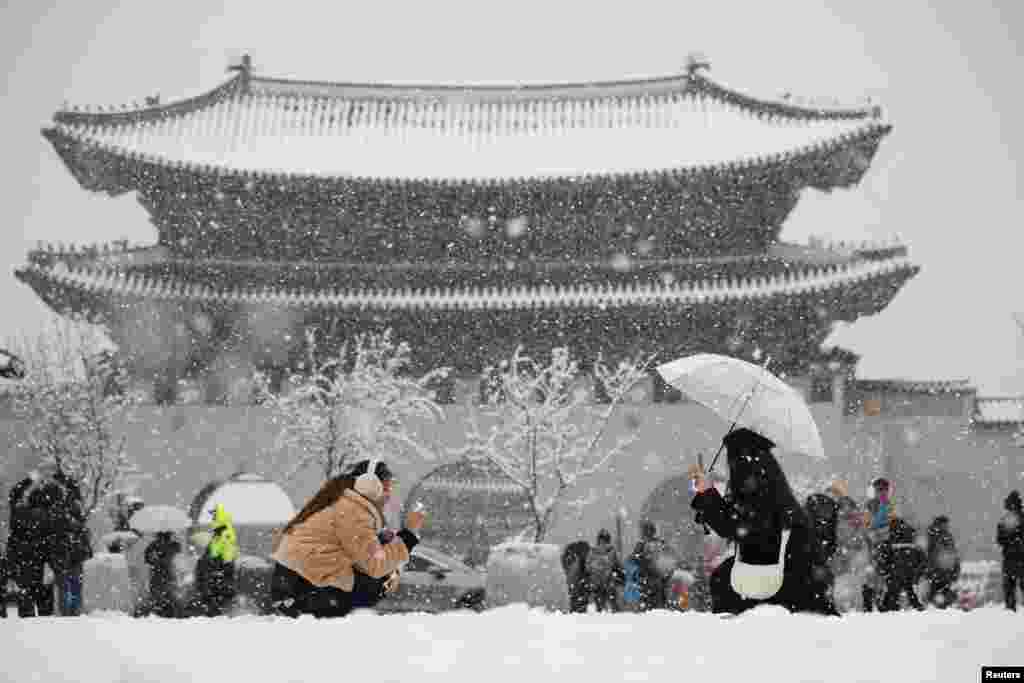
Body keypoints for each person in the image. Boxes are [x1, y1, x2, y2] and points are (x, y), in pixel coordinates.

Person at [690, 428, 837, 616]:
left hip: (782, 580)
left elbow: (735, 526)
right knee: (723, 577)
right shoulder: (770, 485)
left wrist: (708, 494)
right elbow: (738, 523)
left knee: (723, 581)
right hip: (790, 575)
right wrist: (707, 495)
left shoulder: (757, 490)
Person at [270, 459, 422, 618]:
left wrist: (382, 541)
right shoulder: (354, 511)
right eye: (386, 486)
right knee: (377, 584)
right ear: (368, 485)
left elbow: (358, 552)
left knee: (377, 579)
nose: (389, 494)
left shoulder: (344, 503)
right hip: (302, 590)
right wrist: (408, 535)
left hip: (293, 584)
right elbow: (375, 565)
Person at [193, 504, 239, 616]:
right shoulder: (220, 535)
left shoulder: (224, 535)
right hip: (215, 581)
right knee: (214, 611)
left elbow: (226, 559)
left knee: (215, 612)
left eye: (214, 516)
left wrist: (209, 565)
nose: (212, 519)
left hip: (217, 582)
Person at [874, 517, 926, 612]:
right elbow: (922, 559)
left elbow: (883, 560)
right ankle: (917, 608)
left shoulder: (889, 542)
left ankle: (890, 610)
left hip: (894, 575)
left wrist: (884, 571)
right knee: (911, 593)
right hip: (910, 574)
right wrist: (917, 573)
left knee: (891, 597)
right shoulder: (912, 540)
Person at [861, 477, 896, 611]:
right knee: (873, 573)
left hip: (887, 542)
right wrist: (873, 534)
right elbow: (867, 525)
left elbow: (893, 523)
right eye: (879, 489)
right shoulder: (870, 505)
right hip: (874, 542)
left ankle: (885, 600)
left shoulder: (890, 505)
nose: (882, 492)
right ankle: (870, 602)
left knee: (887, 572)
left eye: (884, 489)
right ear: (875, 490)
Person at [631, 521, 672, 611]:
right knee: (660, 605)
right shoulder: (661, 542)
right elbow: (670, 560)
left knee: (646, 606)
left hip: (646, 579)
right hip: (659, 579)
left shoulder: (641, 544)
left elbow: (634, 560)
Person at [141, 531, 183, 617]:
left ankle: (159, 611)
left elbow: (147, 559)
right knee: (169, 594)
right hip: (168, 573)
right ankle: (170, 612)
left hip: (157, 573)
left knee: (158, 594)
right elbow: (178, 551)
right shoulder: (173, 545)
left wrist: (155, 559)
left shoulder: (153, 545)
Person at [924, 516, 960, 609]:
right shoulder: (936, 536)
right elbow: (931, 553)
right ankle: (939, 607)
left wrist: (955, 569)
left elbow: (953, 554)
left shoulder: (942, 535)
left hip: (943, 570)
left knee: (939, 592)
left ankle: (939, 607)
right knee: (937, 592)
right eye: (945, 524)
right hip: (939, 570)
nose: (947, 526)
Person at [997, 490, 1024, 611]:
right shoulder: (1022, 518)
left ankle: (1010, 613)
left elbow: (1000, 539)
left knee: (1009, 588)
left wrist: (1009, 544)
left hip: (1009, 558)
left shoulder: (1005, 520)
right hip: (1022, 558)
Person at [586, 529, 623, 612]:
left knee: (600, 606)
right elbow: (618, 565)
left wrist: (593, 573)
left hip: (597, 583)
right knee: (613, 604)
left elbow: (588, 566)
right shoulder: (612, 550)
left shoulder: (593, 551)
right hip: (609, 582)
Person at [561, 540, 591, 613]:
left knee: (576, 600)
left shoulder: (570, 558)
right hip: (578, 586)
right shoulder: (578, 561)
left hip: (575, 587)